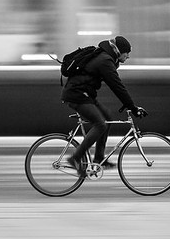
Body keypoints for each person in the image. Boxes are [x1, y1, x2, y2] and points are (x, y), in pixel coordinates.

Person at [61, 35, 147, 173]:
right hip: (77, 95)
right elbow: (117, 86)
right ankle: (75, 158)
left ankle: (99, 158)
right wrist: (133, 107)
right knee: (100, 124)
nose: (128, 56)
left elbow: (117, 86)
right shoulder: (105, 61)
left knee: (107, 117)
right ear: (119, 51)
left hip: (84, 95)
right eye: (127, 53)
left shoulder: (106, 58)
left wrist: (130, 105)